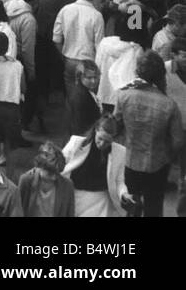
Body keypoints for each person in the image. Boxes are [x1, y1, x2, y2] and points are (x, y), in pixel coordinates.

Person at [112, 51, 184, 217]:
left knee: (131, 204)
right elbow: (178, 141)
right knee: (154, 206)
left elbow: (115, 127)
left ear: (139, 71)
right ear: (160, 74)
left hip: (131, 160)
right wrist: (167, 155)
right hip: (157, 163)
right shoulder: (169, 105)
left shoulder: (124, 96)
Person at [62, 116, 128, 218]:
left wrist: (124, 193)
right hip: (75, 195)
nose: (102, 144)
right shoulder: (76, 143)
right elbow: (59, 166)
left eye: (107, 142)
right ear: (95, 130)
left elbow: (119, 181)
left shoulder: (121, 152)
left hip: (101, 199)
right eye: (100, 138)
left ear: (114, 139)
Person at [17, 142, 75, 217]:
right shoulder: (26, 181)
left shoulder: (67, 185)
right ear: (40, 167)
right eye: (50, 173)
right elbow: (17, 209)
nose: (54, 177)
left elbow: (70, 214)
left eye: (57, 173)